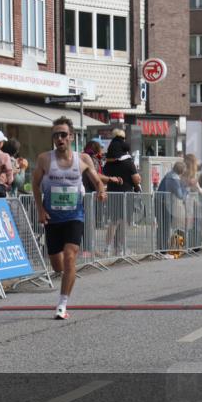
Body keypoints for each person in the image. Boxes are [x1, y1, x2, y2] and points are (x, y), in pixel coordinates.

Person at [32, 117, 106, 320]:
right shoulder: (45, 159)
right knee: (58, 265)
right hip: (52, 218)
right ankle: (66, 276)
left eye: (63, 134)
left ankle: (62, 304)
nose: (59, 138)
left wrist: (101, 191)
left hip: (75, 216)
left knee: (70, 256)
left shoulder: (83, 159)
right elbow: (35, 186)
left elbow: (97, 181)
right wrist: (40, 210)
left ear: (71, 137)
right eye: (56, 135)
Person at [103, 138, 140, 254]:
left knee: (113, 222)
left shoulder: (108, 164)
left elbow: (104, 176)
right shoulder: (128, 162)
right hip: (126, 194)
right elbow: (136, 179)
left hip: (112, 194)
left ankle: (107, 247)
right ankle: (121, 247)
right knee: (124, 222)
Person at [157, 161, 189, 253]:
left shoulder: (170, 175)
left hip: (161, 202)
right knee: (165, 227)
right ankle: (163, 250)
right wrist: (186, 191)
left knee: (163, 227)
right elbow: (180, 195)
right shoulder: (173, 178)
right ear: (182, 171)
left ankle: (162, 249)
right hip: (164, 204)